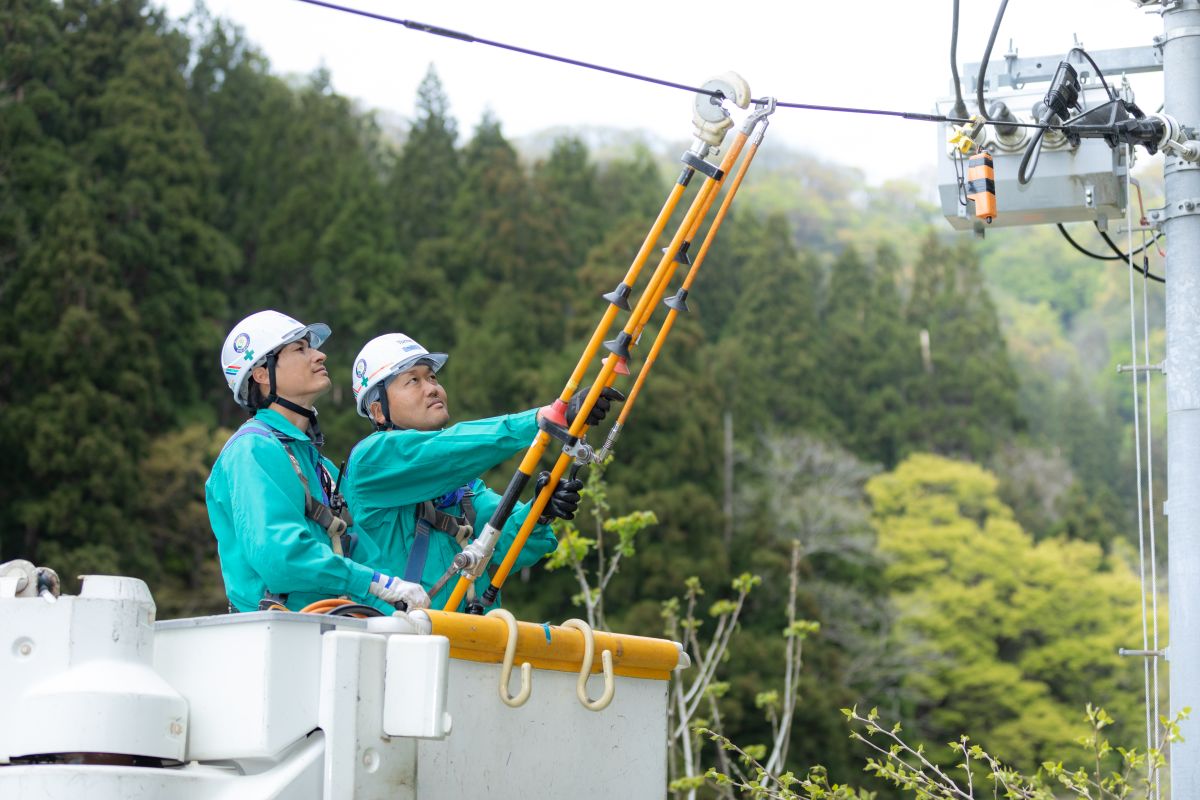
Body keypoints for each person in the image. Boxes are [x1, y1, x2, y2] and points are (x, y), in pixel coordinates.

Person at [342, 332, 622, 612]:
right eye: (413, 380)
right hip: (397, 640)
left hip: (460, 639)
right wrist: (545, 419)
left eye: (432, 377)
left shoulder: (461, 488)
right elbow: (444, 452)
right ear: (378, 412)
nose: (431, 388)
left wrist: (540, 511)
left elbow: (502, 544)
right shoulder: (371, 460)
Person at [205, 310, 430, 613]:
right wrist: (377, 583)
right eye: (301, 349)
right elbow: (281, 557)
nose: (319, 356)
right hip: (277, 635)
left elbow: (359, 549)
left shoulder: (316, 464)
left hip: (327, 628)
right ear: (261, 373)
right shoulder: (253, 450)